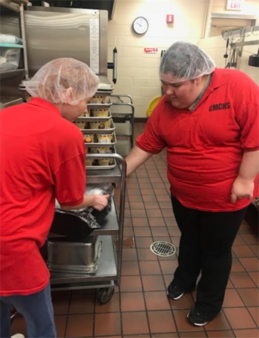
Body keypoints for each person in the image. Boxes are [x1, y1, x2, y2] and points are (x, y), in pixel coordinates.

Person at [125, 41, 259, 326]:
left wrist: (246, 178)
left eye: (174, 86)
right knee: (190, 239)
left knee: (215, 251)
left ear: (197, 78)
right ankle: (184, 280)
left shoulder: (237, 87)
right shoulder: (166, 106)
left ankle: (209, 303)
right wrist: (118, 172)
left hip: (226, 199)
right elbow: (147, 145)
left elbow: (255, 138)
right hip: (183, 196)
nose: (167, 92)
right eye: (163, 84)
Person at [0, 58, 109, 338]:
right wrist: (94, 200)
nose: (86, 108)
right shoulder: (65, 133)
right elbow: (70, 199)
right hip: (13, 247)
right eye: (86, 99)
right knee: (42, 325)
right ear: (68, 94)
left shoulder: (5, 114)